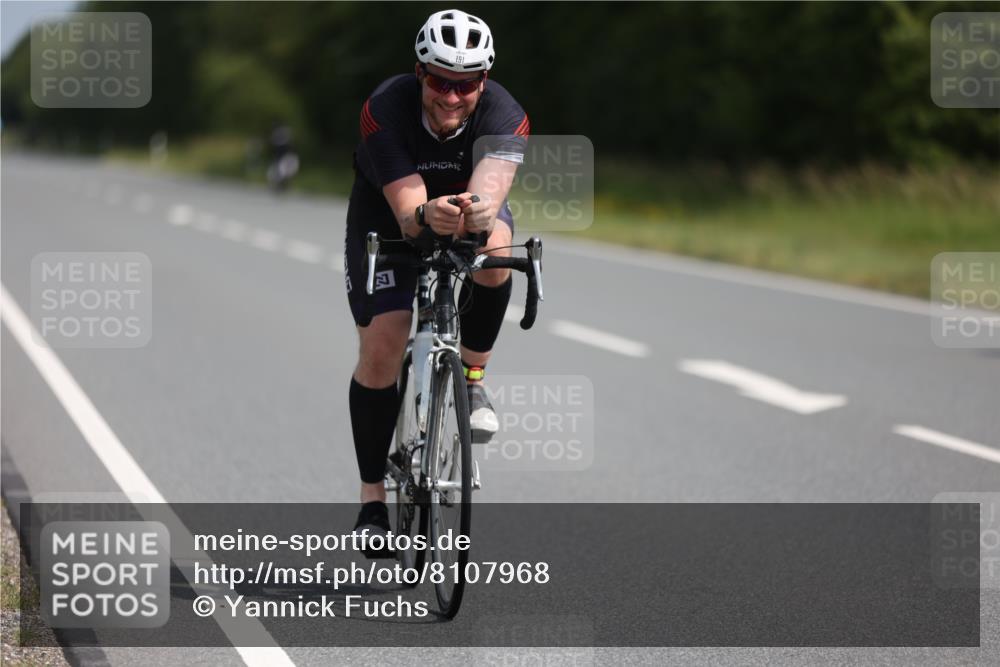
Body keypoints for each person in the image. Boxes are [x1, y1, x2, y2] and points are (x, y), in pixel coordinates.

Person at [344, 9, 529, 541]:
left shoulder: (506, 114)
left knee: (494, 243)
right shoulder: (384, 108)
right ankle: (372, 497)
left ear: (483, 82)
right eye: (440, 81)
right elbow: (409, 214)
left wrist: (474, 213)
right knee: (385, 338)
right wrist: (426, 216)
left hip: (461, 205)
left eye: (465, 84)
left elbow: (488, 196)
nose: (451, 96)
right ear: (420, 73)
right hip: (387, 212)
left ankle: (472, 382)